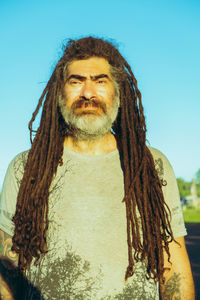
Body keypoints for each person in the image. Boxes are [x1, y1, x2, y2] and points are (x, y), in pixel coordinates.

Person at [0, 36, 195, 299]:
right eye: (76, 81)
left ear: (118, 92)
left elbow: (172, 269)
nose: (88, 93)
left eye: (100, 81)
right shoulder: (25, 168)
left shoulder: (150, 165)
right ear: (60, 93)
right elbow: (7, 268)